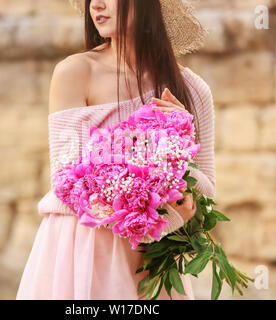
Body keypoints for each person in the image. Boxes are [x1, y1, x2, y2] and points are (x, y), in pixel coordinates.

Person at [16, 0, 216, 300]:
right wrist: (157, 153)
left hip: (152, 261)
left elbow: (206, 192)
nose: (96, 4)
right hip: (82, 250)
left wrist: (180, 140)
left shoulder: (191, 89)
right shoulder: (75, 72)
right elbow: (67, 186)